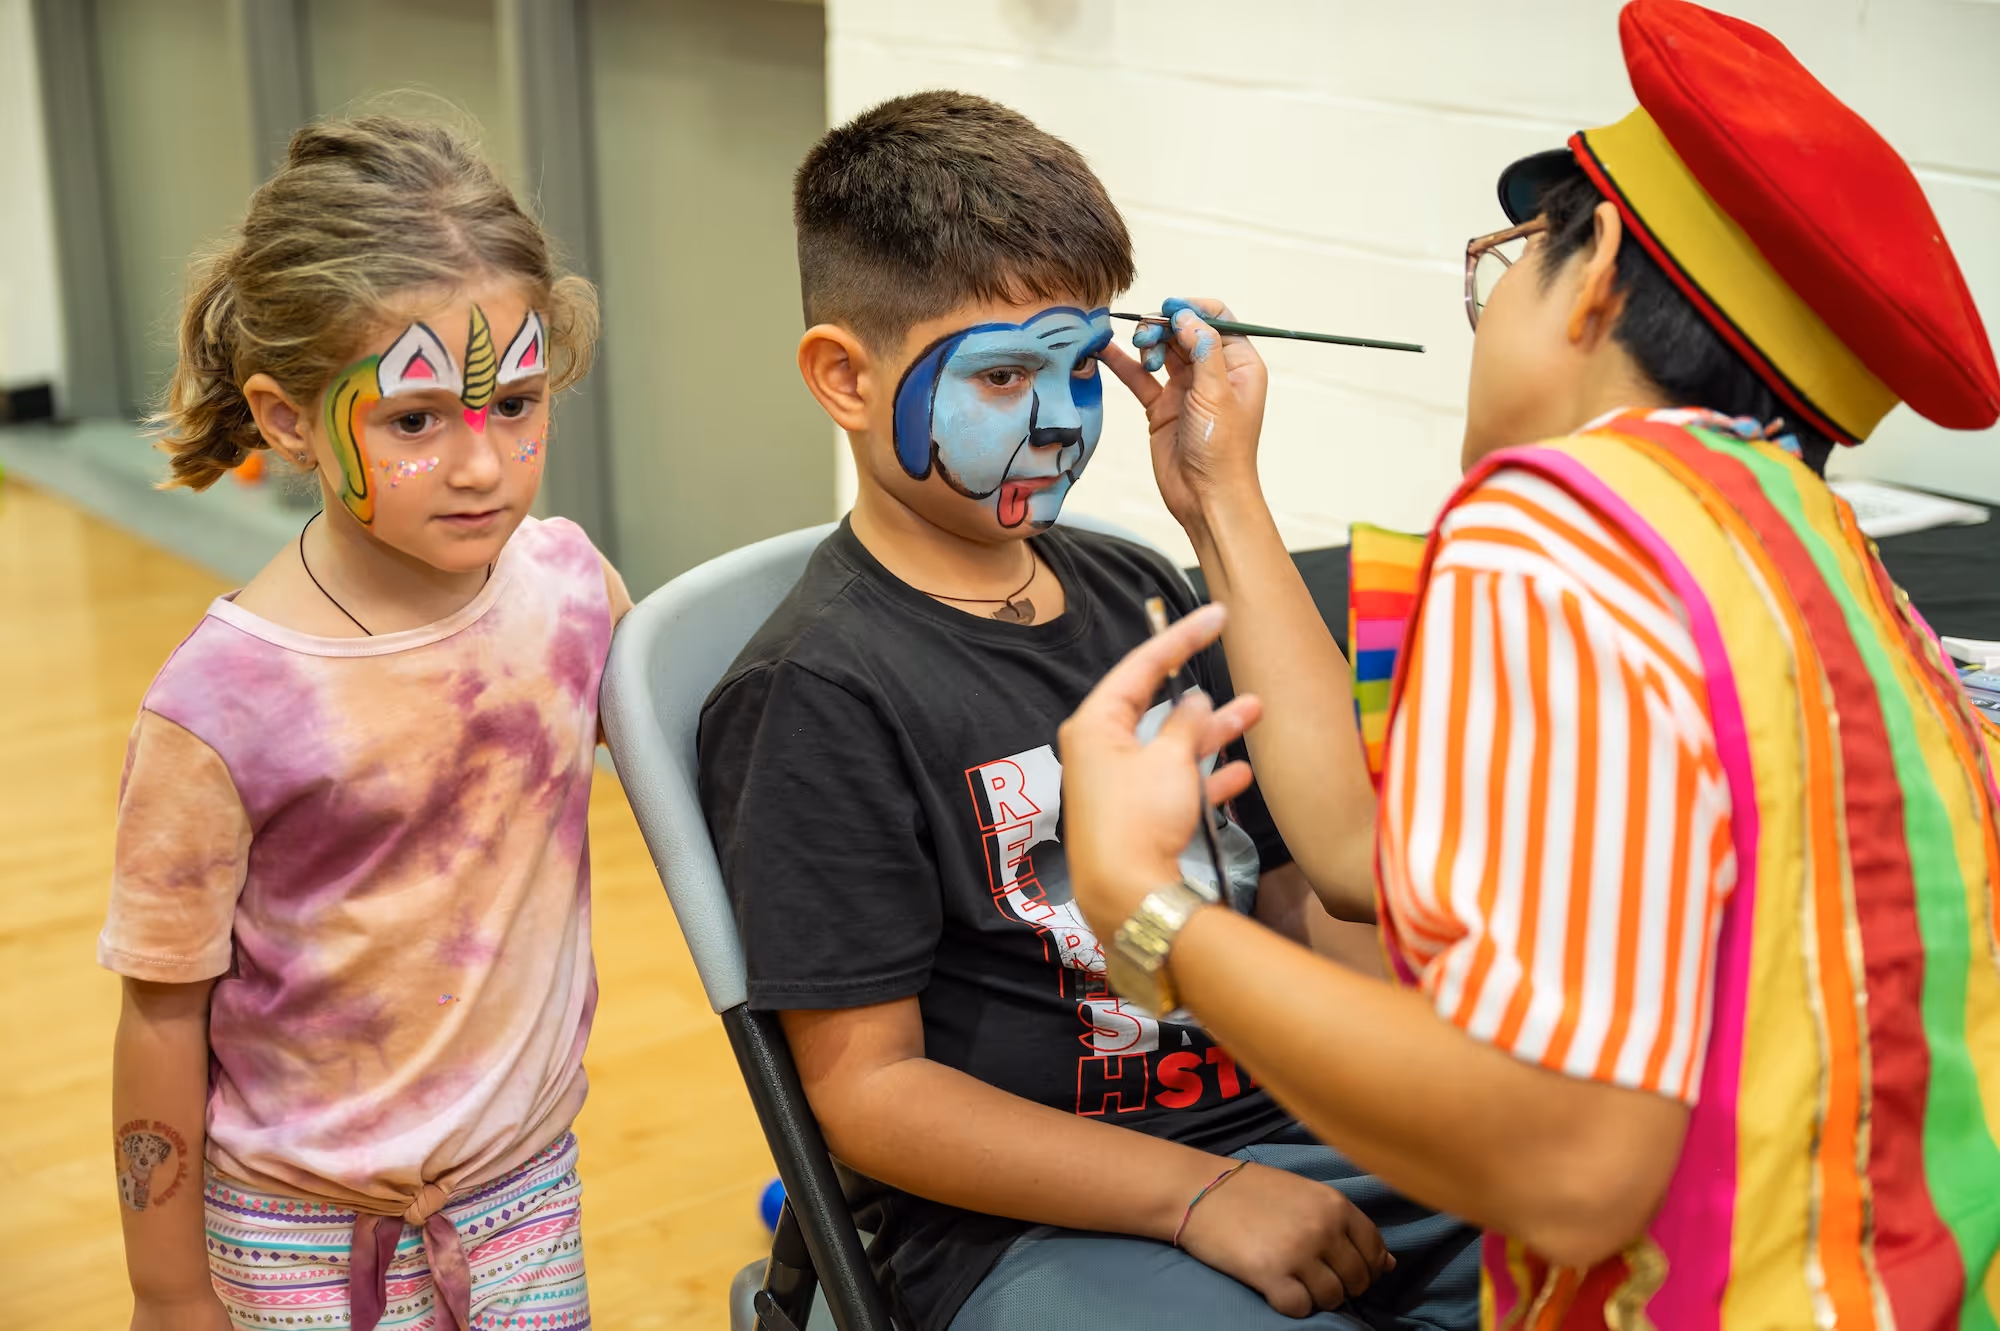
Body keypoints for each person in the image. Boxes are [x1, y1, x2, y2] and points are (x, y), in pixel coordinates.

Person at [1060, 1, 2000, 1327]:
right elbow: (1358, 845)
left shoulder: (1556, 519)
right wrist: (1220, 491)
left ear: (1600, 257)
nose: (1487, 301)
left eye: (1505, 259)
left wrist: (1145, 905)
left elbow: (1571, 1166)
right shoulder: (1827, 563)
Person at [697, 92, 1478, 1331]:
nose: (1061, 418)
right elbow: (872, 1095)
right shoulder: (819, 688)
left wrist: (1220, 494)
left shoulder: (1143, 586)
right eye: (1004, 375)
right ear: (844, 377)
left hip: (1283, 1136)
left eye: (1077, 369)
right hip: (1039, 1227)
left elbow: (1302, 885)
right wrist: (1196, 1190)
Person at [103, 117, 627, 1331]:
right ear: (289, 419)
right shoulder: (221, 702)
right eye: (415, 420)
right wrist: (167, 1286)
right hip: (293, 1227)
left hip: (524, 1194)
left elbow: (720, 762)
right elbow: (160, 1011)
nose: (482, 463)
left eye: (515, 402)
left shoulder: (568, 593)